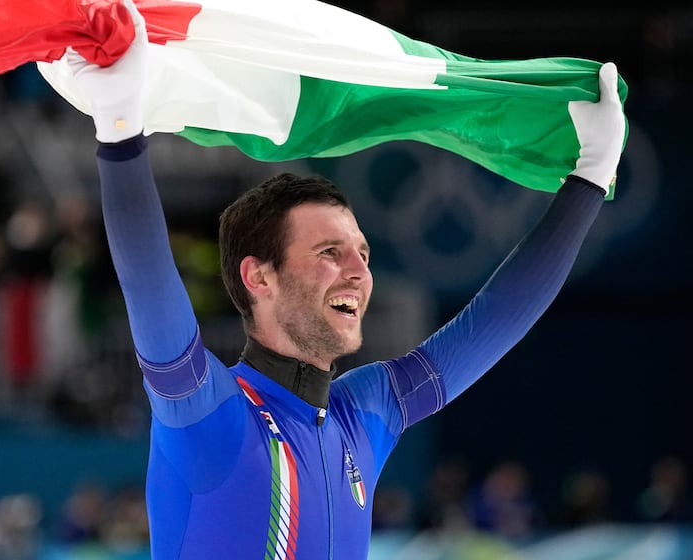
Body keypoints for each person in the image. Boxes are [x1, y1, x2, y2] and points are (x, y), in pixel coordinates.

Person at [67, 2, 626, 557]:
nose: (360, 273)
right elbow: (148, 281)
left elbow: (496, 320)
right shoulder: (210, 417)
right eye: (330, 252)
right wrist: (120, 130)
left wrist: (588, 182)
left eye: (363, 253)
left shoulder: (362, 416)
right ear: (259, 277)